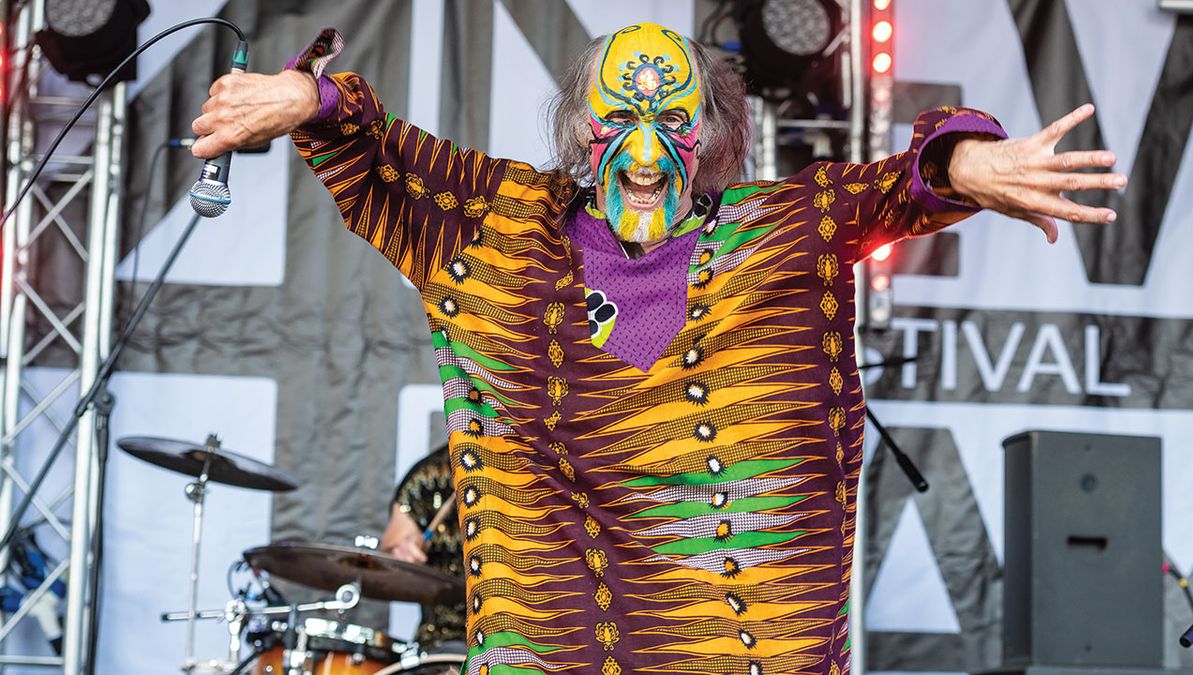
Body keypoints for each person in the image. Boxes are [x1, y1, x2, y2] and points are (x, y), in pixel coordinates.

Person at [191, 22, 1125, 675]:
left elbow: (891, 189)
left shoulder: (775, 232)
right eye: (618, 125)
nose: (644, 153)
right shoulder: (499, 226)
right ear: (576, 134)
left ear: (714, 137)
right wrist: (305, 96)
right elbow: (383, 150)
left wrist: (965, 164)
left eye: (673, 122)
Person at [380, 444, 467, 651]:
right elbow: (386, 557)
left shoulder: (544, 473)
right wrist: (401, 553)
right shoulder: (431, 475)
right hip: (448, 640)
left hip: (534, 640)